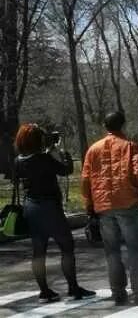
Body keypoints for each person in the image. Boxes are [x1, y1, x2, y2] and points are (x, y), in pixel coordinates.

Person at [81, 112, 138, 307]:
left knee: (112, 252)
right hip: (127, 203)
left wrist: (89, 205)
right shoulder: (129, 146)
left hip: (103, 206)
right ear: (122, 125)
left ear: (105, 126)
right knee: (135, 250)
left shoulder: (93, 149)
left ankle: (118, 293)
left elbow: (86, 179)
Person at [13, 124, 95, 303]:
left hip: (31, 207)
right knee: (66, 246)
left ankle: (44, 291)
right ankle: (73, 287)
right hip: (49, 206)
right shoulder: (44, 159)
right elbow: (66, 170)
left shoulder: (19, 160)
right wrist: (62, 154)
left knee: (38, 251)